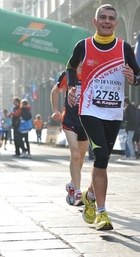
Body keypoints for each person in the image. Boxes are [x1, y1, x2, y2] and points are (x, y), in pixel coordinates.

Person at [66, 4, 140, 230]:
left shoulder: (124, 48)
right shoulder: (84, 46)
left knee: (104, 161)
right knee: (99, 157)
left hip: (113, 112)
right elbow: (70, 68)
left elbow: (139, 76)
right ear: (95, 21)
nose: (107, 21)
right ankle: (101, 213)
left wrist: (132, 78)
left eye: (111, 18)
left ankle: (90, 195)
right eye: (103, 17)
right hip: (89, 109)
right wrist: (73, 87)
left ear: (116, 24)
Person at [50, 68, 89, 206]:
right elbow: (55, 91)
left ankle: (72, 184)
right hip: (70, 120)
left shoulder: (91, 71)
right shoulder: (68, 74)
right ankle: (78, 192)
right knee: (75, 155)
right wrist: (55, 110)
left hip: (87, 120)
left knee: (81, 158)